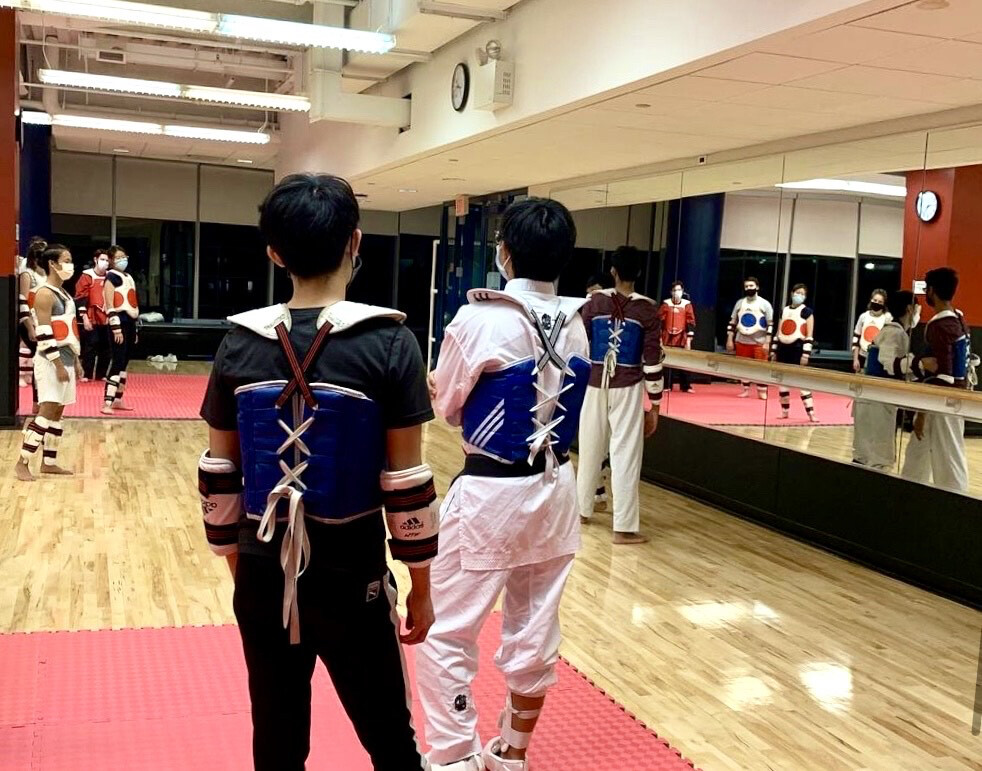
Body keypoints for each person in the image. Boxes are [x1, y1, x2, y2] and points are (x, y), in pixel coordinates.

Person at [197, 174, 436, 771]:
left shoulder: (236, 343)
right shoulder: (390, 342)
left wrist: (243, 569)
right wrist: (422, 591)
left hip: (260, 572)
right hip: (352, 577)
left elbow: (218, 474)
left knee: (275, 747)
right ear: (356, 242)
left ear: (274, 253)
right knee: (391, 743)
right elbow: (407, 484)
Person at [418, 198, 590, 771]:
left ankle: (453, 758)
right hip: (557, 491)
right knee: (535, 623)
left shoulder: (479, 319)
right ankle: (512, 753)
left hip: (492, 494)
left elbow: (446, 406)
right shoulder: (578, 324)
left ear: (504, 254)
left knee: (446, 631)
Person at [577, 245, 662, 545]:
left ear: (613, 272)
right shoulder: (647, 310)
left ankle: (582, 511)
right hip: (627, 385)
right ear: (638, 273)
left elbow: (580, 344)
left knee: (589, 447)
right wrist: (655, 403)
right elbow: (652, 359)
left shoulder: (593, 304)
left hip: (593, 382)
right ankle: (623, 527)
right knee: (625, 453)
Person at [14, 244, 81, 481]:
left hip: (67, 359)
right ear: (53, 264)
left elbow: (69, 331)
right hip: (50, 362)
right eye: (66, 259)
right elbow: (44, 334)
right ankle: (22, 462)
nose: (70, 264)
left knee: (58, 413)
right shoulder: (43, 294)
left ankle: (49, 462)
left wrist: (76, 361)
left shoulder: (64, 294)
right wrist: (59, 365)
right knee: (45, 412)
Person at [901, 268, 971, 493]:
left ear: (931, 291)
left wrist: (921, 412)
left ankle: (955, 501)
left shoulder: (940, 326)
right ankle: (910, 492)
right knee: (919, 451)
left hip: (943, 400)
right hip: (948, 398)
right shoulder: (958, 318)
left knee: (948, 456)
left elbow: (945, 376)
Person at [852, 290, 916, 469]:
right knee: (877, 455)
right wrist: (917, 364)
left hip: (875, 396)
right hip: (876, 398)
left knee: (867, 452)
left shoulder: (895, 331)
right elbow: (889, 363)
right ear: (910, 309)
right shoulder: (894, 333)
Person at [770, 283, 818, 422]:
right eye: (798, 292)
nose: (799, 296)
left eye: (803, 294)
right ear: (792, 293)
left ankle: (811, 413)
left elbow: (809, 335)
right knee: (782, 382)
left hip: (797, 348)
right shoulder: (784, 311)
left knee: (802, 383)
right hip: (783, 349)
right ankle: (784, 411)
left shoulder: (807, 312)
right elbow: (779, 332)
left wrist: (805, 354)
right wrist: (774, 350)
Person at [102, 246, 139, 413]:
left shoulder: (128, 277)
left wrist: (135, 329)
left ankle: (118, 398)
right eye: (118, 257)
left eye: (124, 256)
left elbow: (132, 302)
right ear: (110, 260)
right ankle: (107, 402)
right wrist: (115, 327)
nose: (122, 260)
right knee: (117, 361)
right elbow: (109, 303)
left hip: (130, 321)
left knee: (124, 363)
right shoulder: (111, 277)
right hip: (119, 321)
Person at [726, 276, 773, 399]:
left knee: (761, 368)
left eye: (751, 286)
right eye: (746, 286)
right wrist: (729, 339)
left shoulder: (765, 304)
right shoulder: (739, 303)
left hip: (759, 342)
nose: (749, 288)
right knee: (743, 367)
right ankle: (745, 389)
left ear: (757, 287)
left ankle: (762, 391)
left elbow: (770, 324)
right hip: (741, 341)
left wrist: (767, 342)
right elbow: (732, 322)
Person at [17, 236, 47, 411]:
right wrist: (29, 327)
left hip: (43, 321)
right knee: (40, 362)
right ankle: (37, 404)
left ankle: (41, 402)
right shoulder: (27, 274)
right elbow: (23, 302)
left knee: (44, 363)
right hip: (30, 322)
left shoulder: (44, 274)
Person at [75, 248, 111, 382]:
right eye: (102, 259)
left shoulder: (110, 276)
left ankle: (102, 374)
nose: (105, 262)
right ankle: (86, 374)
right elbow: (80, 297)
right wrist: (84, 317)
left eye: (107, 260)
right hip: (91, 315)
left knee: (106, 347)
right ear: (95, 260)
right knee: (91, 345)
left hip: (107, 315)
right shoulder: (86, 276)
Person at [659, 280, 696, 393]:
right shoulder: (665, 304)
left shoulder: (687, 305)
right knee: (667, 362)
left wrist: (689, 340)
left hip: (682, 337)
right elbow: (659, 321)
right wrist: (660, 338)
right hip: (667, 336)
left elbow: (691, 321)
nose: (677, 292)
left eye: (679, 290)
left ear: (683, 291)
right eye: (675, 290)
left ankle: (686, 386)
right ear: (671, 292)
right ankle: (667, 385)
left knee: (684, 361)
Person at [852, 289, 891, 373]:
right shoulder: (864, 316)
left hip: (877, 357)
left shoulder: (887, 318)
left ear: (884, 304)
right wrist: (855, 359)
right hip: (862, 356)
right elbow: (856, 338)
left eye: (880, 302)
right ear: (871, 300)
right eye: (875, 300)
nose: (877, 303)